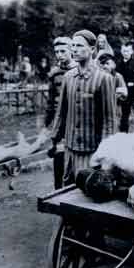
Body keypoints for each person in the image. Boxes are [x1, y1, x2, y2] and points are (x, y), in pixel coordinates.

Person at [49, 29, 117, 185]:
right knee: (67, 186)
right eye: (72, 45)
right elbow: (61, 112)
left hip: (92, 151)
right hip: (70, 148)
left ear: (92, 49)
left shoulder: (104, 79)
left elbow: (110, 121)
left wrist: (105, 152)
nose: (74, 49)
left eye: (79, 45)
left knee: (87, 191)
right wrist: (54, 139)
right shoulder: (68, 77)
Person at [44, 37, 78, 129]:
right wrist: (47, 122)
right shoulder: (54, 73)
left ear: (71, 50)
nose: (59, 55)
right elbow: (50, 100)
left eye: (63, 51)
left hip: (76, 118)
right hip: (58, 118)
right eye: (57, 52)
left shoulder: (80, 70)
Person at [98, 52, 128, 119]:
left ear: (113, 65)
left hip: (114, 107)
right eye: (102, 64)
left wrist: (111, 95)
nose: (105, 66)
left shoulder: (117, 77)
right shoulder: (96, 77)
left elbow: (123, 94)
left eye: (107, 64)